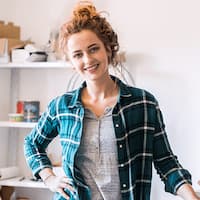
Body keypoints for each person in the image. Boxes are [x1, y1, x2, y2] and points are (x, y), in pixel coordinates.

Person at [24, 1, 200, 200]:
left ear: (108, 48)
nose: (88, 60)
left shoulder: (143, 103)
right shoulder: (62, 106)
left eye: (93, 49)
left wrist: (193, 197)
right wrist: (49, 178)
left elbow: (166, 162)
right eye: (78, 55)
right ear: (72, 62)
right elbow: (32, 143)